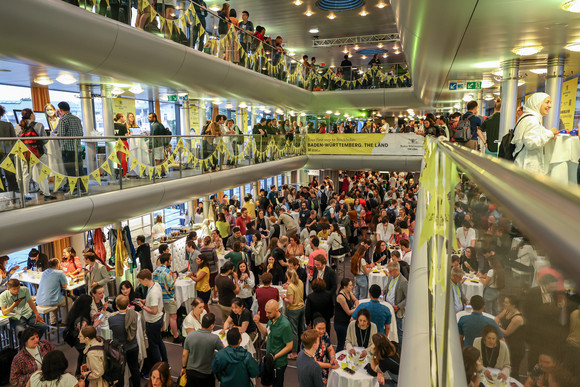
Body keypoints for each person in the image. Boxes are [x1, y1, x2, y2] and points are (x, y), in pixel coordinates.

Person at [512, 92, 559, 173]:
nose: (550, 106)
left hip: (522, 164)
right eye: (547, 102)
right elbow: (531, 143)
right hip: (527, 168)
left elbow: (537, 132)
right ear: (537, 103)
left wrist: (552, 133)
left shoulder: (526, 117)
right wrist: (550, 133)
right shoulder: (532, 120)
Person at [253, 299, 294, 387]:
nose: (267, 315)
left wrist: (274, 357)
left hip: (279, 362)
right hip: (269, 360)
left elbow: (289, 346)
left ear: (277, 310)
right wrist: (258, 323)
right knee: (267, 382)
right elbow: (266, 333)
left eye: (269, 313)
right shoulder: (271, 319)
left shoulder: (285, 325)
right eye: (266, 312)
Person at [135, 269, 168, 367]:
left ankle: (158, 367)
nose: (140, 283)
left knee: (154, 346)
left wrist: (142, 306)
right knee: (159, 341)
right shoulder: (155, 285)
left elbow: (154, 311)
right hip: (158, 320)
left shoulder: (153, 292)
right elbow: (152, 301)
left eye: (140, 281)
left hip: (153, 322)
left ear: (145, 279)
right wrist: (144, 301)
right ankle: (165, 362)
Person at [182, 313, 224, 387]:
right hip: (206, 374)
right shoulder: (215, 338)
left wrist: (184, 367)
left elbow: (184, 354)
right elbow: (223, 351)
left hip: (191, 372)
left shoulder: (190, 335)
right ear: (212, 325)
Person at [108, 295, 140, 387]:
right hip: (133, 346)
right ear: (128, 305)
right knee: (134, 369)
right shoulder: (134, 315)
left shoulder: (112, 319)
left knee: (120, 372)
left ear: (116, 306)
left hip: (119, 350)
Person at [35, 258, 71, 325]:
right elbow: (64, 285)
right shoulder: (60, 273)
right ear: (58, 264)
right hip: (51, 301)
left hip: (39, 300)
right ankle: (65, 322)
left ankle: (53, 321)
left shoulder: (45, 272)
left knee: (52, 296)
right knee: (68, 301)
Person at [56, 102, 84, 182]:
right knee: (80, 170)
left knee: (70, 171)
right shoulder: (77, 119)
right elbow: (81, 134)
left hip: (67, 149)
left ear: (60, 110)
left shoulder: (63, 120)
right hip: (78, 148)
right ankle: (83, 188)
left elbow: (61, 135)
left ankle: (73, 189)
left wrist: (56, 136)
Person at [283, 269, 305, 359]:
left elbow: (290, 301)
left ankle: (294, 352)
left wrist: (284, 298)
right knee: (301, 329)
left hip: (293, 310)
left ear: (288, 276)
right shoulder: (300, 282)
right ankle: (303, 348)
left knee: (294, 331)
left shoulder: (291, 287)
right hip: (302, 307)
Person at [384, 261, 407, 344]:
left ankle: (399, 349)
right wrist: (382, 292)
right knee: (389, 329)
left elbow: (408, 297)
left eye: (390, 271)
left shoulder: (403, 281)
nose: (389, 273)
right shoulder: (391, 277)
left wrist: (398, 306)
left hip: (397, 310)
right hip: (388, 307)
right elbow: (387, 288)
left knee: (399, 331)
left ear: (396, 270)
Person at [311, 317, 339, 384]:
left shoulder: (325, 335)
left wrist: (332, 358)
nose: (322, 331)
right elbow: (314, 363)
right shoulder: (310, 339)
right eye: (319, 328)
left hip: (325, 366)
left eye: (323, 328)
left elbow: (330, 349)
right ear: (313, 327)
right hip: (315, 371)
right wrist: (330, 365)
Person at [334, 278, 359, 352]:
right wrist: (357, 308)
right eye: (350, 285)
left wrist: (356, 307)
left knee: (349, 342)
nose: (352, 287)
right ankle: (337, 359)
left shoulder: (349, 292)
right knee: (341, 344)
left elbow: (356, 300)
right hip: (341, 324)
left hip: (347, 322)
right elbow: (348, 312)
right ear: (344, 287)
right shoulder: (341, 297)